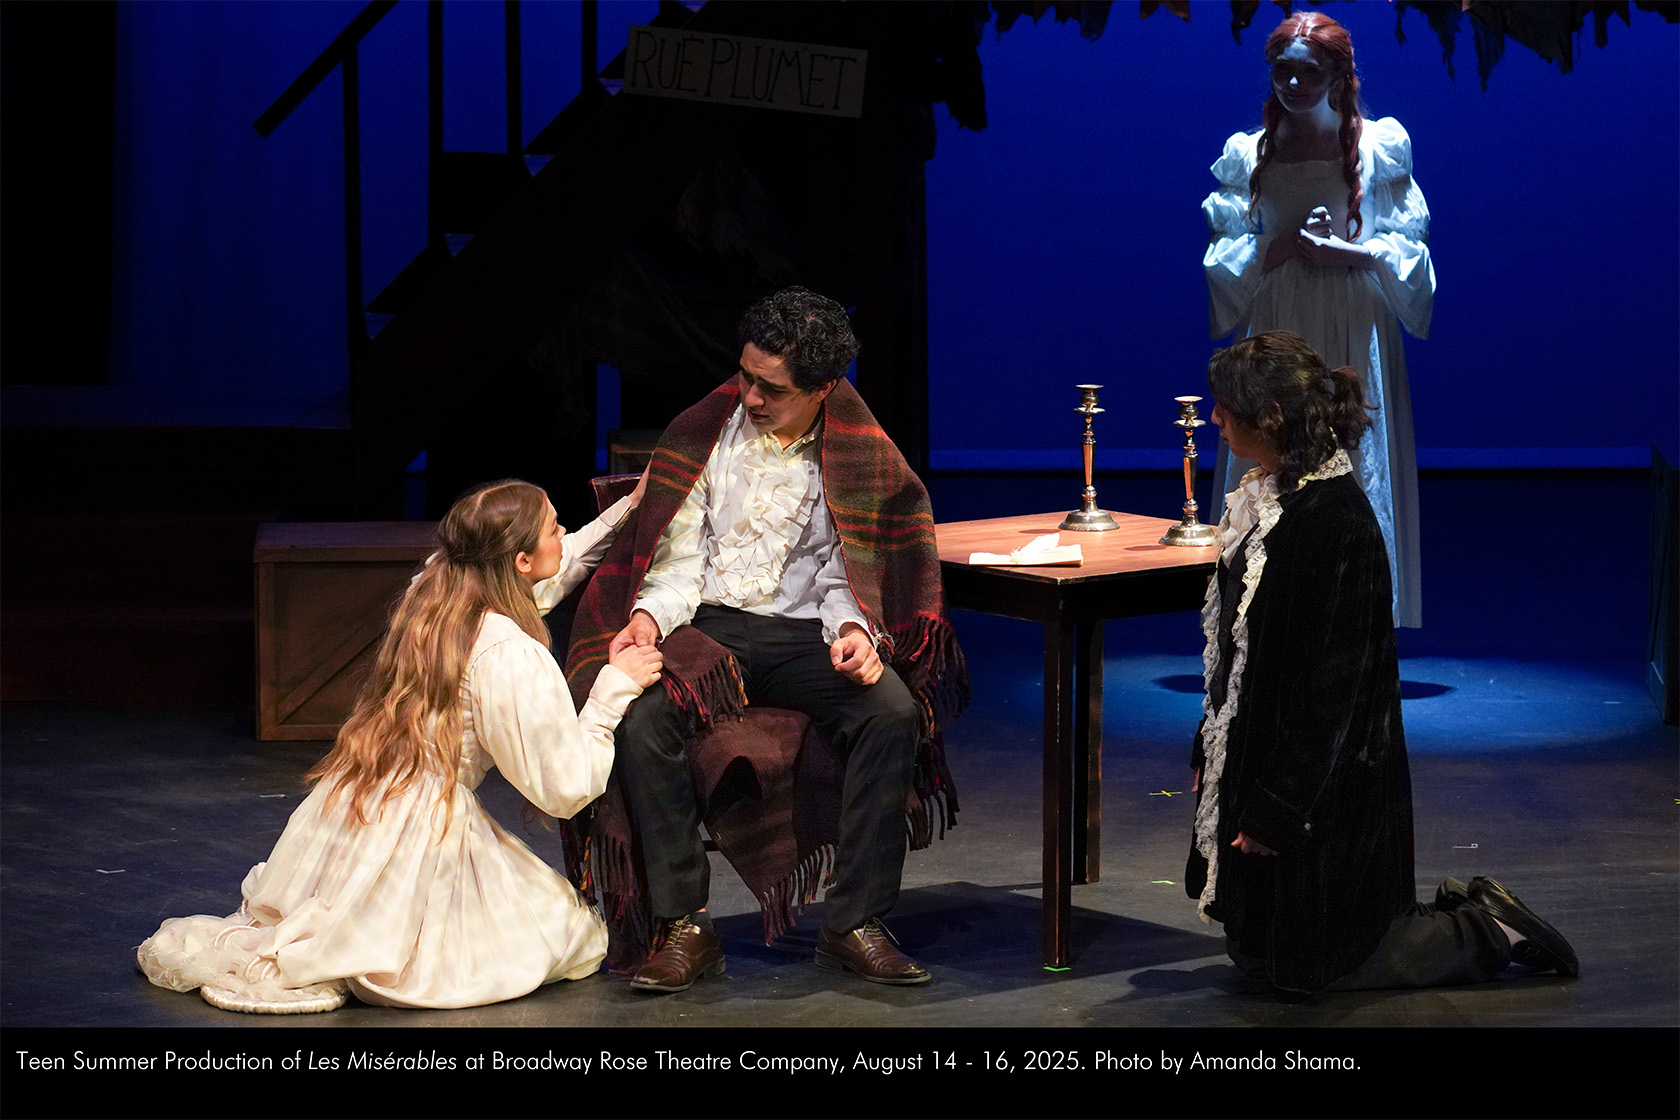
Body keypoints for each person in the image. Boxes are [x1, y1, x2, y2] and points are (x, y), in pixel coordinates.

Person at [564, 286, 967, 992]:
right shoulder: (705, 433)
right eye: (746, 375)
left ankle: (854, 922)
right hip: (710, 627)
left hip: (806, 633)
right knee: (642, 714)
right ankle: (684, 925)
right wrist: (650, 617)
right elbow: (679, 560)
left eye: (771, 388)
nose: (749, 395)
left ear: (822, 388)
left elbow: (847, 569)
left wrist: (854, 631)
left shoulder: (857, 452)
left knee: (891, 711)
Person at [136, 479, 663, 1012]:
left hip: (358, 799)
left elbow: (549, 567)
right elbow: (564, 787)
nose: (564, 533)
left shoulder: (433, 592)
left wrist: (629, 508)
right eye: (554, 527)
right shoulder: (508, 654)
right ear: (522, 561)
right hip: (424, 828)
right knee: (568, 934)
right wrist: (612, 689)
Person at [1186, 331, 1576, 998]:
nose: (1215, 417)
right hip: (1276, 759)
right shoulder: (1269, 500)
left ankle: (1484, 929)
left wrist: (1277, 808)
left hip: (1330, 787)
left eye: (1227, 406)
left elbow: (1329, 693)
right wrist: (1210, 746)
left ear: (1271, 417)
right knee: (1258, 958)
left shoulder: (1333, 522)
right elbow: (1240, 654)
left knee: (1332, 966)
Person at [1203, 10, 1434, 627]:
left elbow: (1409, 250)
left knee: (1349, 452)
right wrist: (1276, 247)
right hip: (1281, 317)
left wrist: (1347, 252)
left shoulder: (1378, 148)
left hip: (1352, 319)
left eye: (1308, 72)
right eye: (1283, 71)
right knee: (1273, 445)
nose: (1294, 84)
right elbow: (1228, 251)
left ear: (1337, 76)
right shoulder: (1250, 152)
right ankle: (1267, 610)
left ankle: (1350, 617)